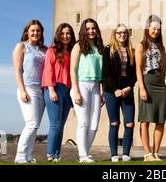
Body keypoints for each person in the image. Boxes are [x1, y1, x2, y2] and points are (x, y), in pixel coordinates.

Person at [13, 20, 47, 164]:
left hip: (41, 90)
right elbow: (17, 70)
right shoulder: (21, 46)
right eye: (33, 30)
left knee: (35, 126)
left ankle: (29, 156)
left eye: (38, 31)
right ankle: (20, 156)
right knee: (31, 123)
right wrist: (22, 90)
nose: (35, 33)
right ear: (27, 31)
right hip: (28, 88)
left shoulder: (44, 49)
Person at [135, 15, 166, 161]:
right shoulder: (141, 46)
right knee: (145, 120)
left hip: (161, 84)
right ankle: (147, 154)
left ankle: (155, 153)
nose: (155, 31)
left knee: (160, 120)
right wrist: (142, 88)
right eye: (153, 28)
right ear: (148, 28)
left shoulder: (162, 47)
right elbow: (138, 69)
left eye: (158, 29)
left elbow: (165, 69)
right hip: (147, 82)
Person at [70, 18, 104, 163]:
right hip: (81, 84)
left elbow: (102, 72)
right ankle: (83, 156)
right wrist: (75, 90)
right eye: (88, 28)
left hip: (96, 86)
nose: (91, 31)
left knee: (94, 125)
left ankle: (84, 153)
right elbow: (72, 68)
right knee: (83, 122)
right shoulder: (78, 46)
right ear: (84, 30)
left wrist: (102, 92)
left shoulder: (100, 47)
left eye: (93, 28)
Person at [102, 24, 137, 162]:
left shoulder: (132, 51)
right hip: (112, 92)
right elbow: (106, 73)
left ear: (127, 34)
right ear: (114, 34)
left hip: (127, 90)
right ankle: (114, 154)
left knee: (129, 123)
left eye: (124, 32)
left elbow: (134, 73)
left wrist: (129, 87)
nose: (122, 34)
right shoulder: (107, 50)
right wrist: (115, 89)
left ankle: (126, 153)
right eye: (119, 32)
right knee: (114, 123)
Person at [42, 23, 76, 162]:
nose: (65, 36)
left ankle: (56, 154)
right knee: (55, 124)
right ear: (58, 35)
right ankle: (50, 154)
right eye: (62, 33)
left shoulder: (73, 52)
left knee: (61, 125)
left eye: (68, 33)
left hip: (67, 90)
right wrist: (51, 89)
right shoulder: (52, 50)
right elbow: (48, 69)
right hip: (54, 88)